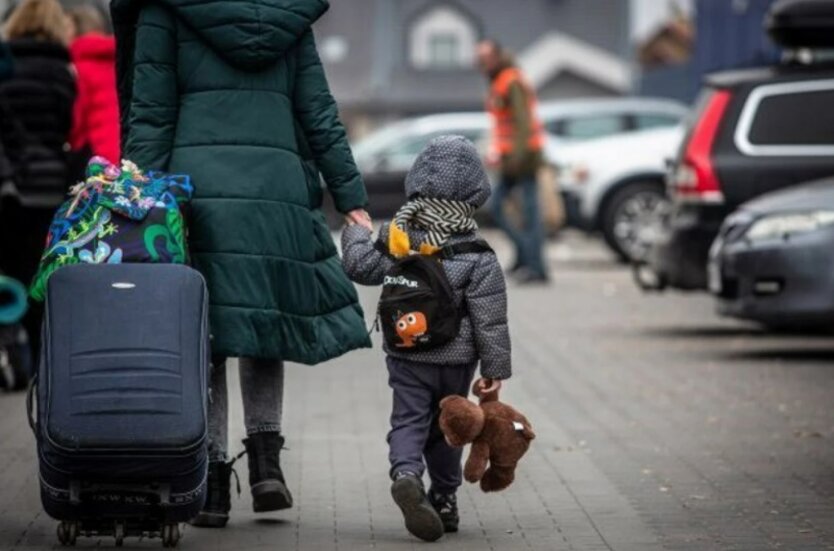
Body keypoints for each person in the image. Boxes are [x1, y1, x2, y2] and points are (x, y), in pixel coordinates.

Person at [111, 0, 373, 528]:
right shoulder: (288, 17)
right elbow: (318, 111)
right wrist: (350, 196)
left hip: (197, 195)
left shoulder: (167, 13)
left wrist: (133, 197)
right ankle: (266, 462)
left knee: (206, 334)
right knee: (260, 324)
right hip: (272, 196)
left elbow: (152, 114)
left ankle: (210, 481)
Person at [342, 135, 511, 542]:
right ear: (475, 189)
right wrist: (494, 370)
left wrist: (356, 232)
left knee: (408, 419)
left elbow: (359, 267)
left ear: (416, 179)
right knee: (449, 426)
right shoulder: (477, 251)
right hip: (456, 360)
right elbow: (489, 318)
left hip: (407, 352)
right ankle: (446, 499)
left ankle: (405, 474)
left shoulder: (399, 236)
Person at [0, 0, 76, 386]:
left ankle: (18, 354)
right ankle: (45, 360)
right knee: (42, 272)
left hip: (11, 184)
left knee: (10, 272)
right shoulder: (62, 72)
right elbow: (67, 127)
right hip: (49, 185)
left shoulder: (5, 66)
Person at [476, 39, 549, 284]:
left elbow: (523, 124)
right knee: (504, 208)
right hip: (513, 156)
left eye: (485, 57)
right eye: (480, 58)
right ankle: (525, 258)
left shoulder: (511, 80)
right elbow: (503, 124)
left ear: (497, 56)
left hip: (524, 156)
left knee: (527, 213)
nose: (481, 63)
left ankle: (536, 266)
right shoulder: (499, 80)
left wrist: (516, 158)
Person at [68, 5, 120, 163]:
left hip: (97, 154)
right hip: (126, 147)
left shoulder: (77, 67)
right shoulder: (118, 60)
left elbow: (78, 118)